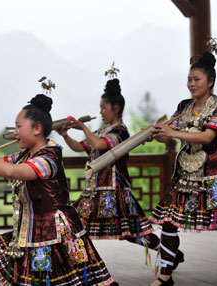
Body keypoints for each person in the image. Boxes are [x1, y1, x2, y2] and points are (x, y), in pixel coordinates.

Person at [0, 93, 118, 285]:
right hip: (32, 231)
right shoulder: (26, 154)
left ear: (37, 129)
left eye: (18, 126)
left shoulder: (48, 157)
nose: (15, 132)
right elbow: (0, 163)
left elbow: (12, 171)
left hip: (55, 234)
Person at [149, 52, 217, 286]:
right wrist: (157, 134)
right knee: (169, 223)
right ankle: (165, 276)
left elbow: (209, 137)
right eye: (189, 79)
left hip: (214, 178)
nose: (191, 84)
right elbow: (169, 136)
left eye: (197, 79)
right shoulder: (183, 107)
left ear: (209, 81)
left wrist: (172, 133)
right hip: (185, 177)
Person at [56, 75, 183, 269]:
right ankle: (80, 267)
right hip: (95, 190)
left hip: (115, 191)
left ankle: (168, 253)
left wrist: (82, 127)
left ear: (116, 109)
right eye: (100, 107)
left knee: (134, 233)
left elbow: (98, 145)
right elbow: (79, 147)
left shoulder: (121, 132)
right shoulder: (102, 131)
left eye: (103, 108)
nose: (100, 112)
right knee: (76, 225)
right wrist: (65, 135)